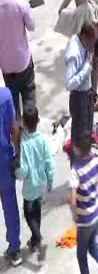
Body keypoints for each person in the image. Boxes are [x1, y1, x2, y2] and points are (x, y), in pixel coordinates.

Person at [70, 132, 98, 274]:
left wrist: (75, 215)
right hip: (96, 214)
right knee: (93, 248)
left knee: (81, 256)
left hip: (85, 222)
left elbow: (72, 199)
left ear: (76, 149)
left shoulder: (76, 170)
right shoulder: (96, 161)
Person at [14, 106, 52, 261]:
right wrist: (50, 181)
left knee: (28, 215)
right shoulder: (42, 140)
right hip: (41, 184)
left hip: (30, 188)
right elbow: (50, 162)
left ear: (23, 122)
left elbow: (23, 171)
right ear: (38, 121)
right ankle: (35, 241)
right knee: (37, 213)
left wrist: (16, 170)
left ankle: (38, 238)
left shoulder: (24, 144)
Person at [0, 0, 36, 120]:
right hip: (23, 62)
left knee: (13, 103)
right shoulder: (20, 2)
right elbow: (31, 26)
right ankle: (31, 131)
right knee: (29, 96)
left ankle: (17, 136)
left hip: (6, 66)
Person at [66, 23, 98, 161]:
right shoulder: (74, 54)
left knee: (87, 132)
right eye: (92, 41)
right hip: (79, 98)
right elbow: (69, 83)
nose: (93, 44)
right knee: (79, 135)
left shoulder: (84, 45)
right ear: (85, 37)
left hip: (87, 95)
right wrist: (86, 67)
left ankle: (86, 160)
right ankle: (77, 165)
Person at [0, 86, 21, 266]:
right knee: (10, 207)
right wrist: (17, 154)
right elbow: (14, 129)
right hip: (4, 160)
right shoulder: (5, 95)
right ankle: (14, 250)